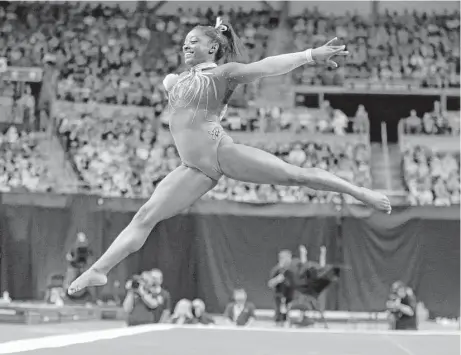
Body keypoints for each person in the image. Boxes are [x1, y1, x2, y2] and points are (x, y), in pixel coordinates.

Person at [68, 18, 391, 295]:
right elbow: (178, 90)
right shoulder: (177, 81)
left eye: (193, 41)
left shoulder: (224, 74)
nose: (185, 46)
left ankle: (359, 192)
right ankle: (100, 268)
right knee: (145, 217)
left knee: (296, 174)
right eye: (184, 42)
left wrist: (309, 55)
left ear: (212, 49)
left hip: (220, 153)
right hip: (192, 168)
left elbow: (266, 67)